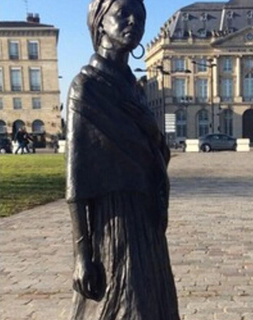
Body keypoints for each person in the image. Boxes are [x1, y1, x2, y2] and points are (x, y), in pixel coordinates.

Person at [66, 0, 179, 319]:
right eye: (123, 14)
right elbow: (76, 182)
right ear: (100, 22)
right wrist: (82, 254)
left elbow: (159, 157)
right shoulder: (86, 87)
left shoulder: (135, 89)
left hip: (145, 218)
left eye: (140, 16)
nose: (134, 21)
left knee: (156, 305)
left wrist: (151, 128)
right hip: (113, 221)